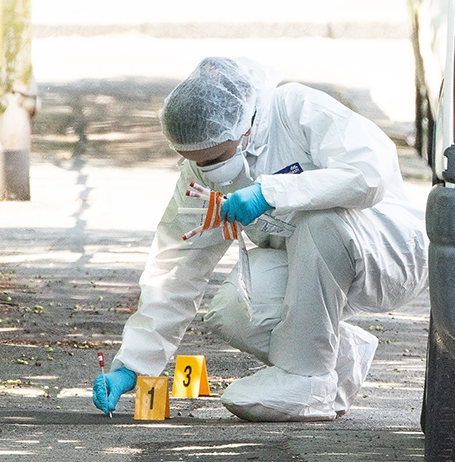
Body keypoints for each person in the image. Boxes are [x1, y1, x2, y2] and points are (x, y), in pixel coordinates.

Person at [93, 56, 429, 421]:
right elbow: (176, 267)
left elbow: (369, 174)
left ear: (245, 125)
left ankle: (307, 380)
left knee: (321, 221)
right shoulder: (200, 173)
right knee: (234, 310)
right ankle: (341, 362)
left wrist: (271, 192)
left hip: (389, 250)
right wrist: (133, 365)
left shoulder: (297, 110)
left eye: (216, 157)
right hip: (312, 273)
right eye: (196, 162)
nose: (210, 172)